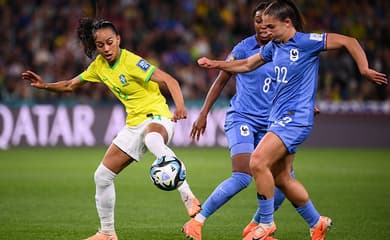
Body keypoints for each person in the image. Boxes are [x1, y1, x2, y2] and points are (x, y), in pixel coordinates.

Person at [196, 0, 388, 240]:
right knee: (282, 178)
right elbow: (246, 64)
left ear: (287, 23)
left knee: (257, 162)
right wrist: (216, 64)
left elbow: (349, 41)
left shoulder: (307, 42)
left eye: (270, 26)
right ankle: (316, 222)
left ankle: (265, 224)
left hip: (295, 118)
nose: (265, 31)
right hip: (278, 117)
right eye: (262, 26)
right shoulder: (274, 47)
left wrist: (364, 68)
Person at [22, 18, 201, 240]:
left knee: (153, 139)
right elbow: (70, 85)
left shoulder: (132, 62)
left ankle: (188, 197)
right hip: (134, 124)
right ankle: (107, 233)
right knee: (102, 176)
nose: (106, 49)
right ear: (95, 46)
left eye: (110, 42)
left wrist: (180, 107)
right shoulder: (98, 66)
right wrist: (44, 85)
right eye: (100, 45)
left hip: (158, 117)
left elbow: (169, 80)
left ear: (118, 39)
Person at [181, 2, 290, 240]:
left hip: (271, 123)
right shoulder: (243, 48)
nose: (261, 25)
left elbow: (291, 82)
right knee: (242, 176)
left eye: (266, 21)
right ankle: (197, 223)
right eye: (257, 20)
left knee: (284, 181)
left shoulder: (284, 48)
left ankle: (256, 226)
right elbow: (221, 81)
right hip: (242, 118)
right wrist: (203, 113)